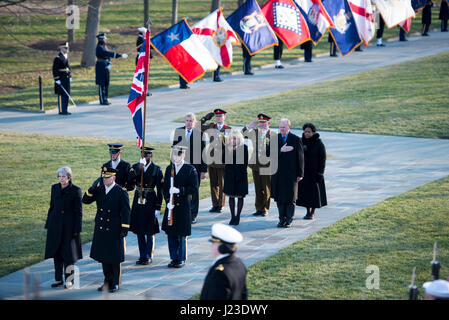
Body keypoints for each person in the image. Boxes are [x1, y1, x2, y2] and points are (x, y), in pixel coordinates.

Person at [82, 167, 130, 293]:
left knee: (114, 258)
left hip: (114, 228)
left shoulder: (120, 191)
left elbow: (125, 212)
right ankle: (107, 282)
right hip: (101, 228)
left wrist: (124, 228)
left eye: (107, 177)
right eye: (103, 177)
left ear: (113, 178)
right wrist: (91, 189)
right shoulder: (99, 189)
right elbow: (85, 201)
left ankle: (115, 283)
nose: (104, 179)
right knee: (104, 257)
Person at [44, 167, 82, 289]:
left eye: (63, 176)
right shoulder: (54, 188)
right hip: (55, 226)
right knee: (57, 254)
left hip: (69, 228)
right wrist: (49, 223)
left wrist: (77, 229)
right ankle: (58, 279)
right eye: (59, 176)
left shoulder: (76, 190)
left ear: (69, 177)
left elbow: (78, 212)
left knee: (69, 255)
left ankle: (69, 280)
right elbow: (52, 207)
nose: (61, 179)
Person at [162, 145, 198, 269]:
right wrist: (167, 200)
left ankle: (181, 258)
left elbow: (194, 188)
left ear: (183, 155)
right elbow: (165, 187)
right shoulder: (169, 169)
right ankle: (173, 257)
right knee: (171, 233)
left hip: (183, 206)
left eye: (178, 155)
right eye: (174, 155)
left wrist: (180, 190)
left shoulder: (190, 169)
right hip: (171, 206)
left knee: (181, 233)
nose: (176, 157)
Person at [128, 147, 163, 265]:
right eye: (143, 155)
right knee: (139, 229)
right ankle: (142, 254)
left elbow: (160, 190)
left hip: (150, 200)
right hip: (138, 199)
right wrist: (138, 169)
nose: (145, 158)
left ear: (151, 156)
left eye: (147, 156)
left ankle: (148, 255)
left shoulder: (156, 170)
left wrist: (158, 207)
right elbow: (130, 182)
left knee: (149, 230)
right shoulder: (136, 167)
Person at [172, 113, 207, 224]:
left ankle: (193, 214)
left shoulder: (200, 134)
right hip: (180, 167)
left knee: (194, 192)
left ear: (195, 122)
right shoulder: (178, 132)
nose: (189, 122)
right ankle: (182, 212)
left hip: (194, 168)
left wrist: (203, 170)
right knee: (181, 190)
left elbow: (204, 154)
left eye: (191, 120)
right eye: (187, 120)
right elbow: (174, 150)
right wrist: (172, 166)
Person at [200, 223, 247, 300]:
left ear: (221, 247)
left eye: (214, 243)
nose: (211, 246)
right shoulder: (239, 263)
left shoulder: (220, 273)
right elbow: (243, 294)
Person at [271, 118, 304, 228]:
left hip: (291, 174)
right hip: (278, 174)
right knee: (280, 198)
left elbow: (300, 158)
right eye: (280, 127)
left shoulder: (295, 139)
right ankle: (281, 219)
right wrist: (281, 150)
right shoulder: (275, 138)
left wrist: (300, 174)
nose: (282, 130)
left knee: (290, 197)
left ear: (289, 127)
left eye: (284, 128)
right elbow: (268, 153)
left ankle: (289, 219)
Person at [200, 108, 232, 213]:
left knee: (222, 183)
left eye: (220, 116)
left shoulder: (228, 129)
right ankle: (215, 204)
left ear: (224, 117)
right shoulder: (211, 126)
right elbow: (197, 126)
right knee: (213, 184)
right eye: (217, 116)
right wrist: (204, 118)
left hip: (222, 161)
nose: (218, 118)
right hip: (212, 160)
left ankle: (221, 204)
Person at [242, 113, 272, 217]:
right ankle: (258, 208)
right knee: (258, 188)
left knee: (266, 188)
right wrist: (249, 127)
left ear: (269, 123)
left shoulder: (272, 135)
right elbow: (242, 135)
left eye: (264, 123)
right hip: (255, 165)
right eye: (260, 123)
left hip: (266, 165)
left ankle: (265, 208)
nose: (262, 125)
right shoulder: (255, 132)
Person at [296, 123, 327, 220]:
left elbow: (323, 159)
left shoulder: (319, 143)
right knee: (305, 193)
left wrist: (320, 173)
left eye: (309, 132)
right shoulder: (301, 142)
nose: (306, 133)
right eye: (305, 131)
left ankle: (312, 212)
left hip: (315, 173)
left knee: (314, 194)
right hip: (304, 173)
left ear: (313, 132)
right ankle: (307, 211)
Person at [223, 129, 249, 225]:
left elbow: (245, 163)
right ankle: (232, 216)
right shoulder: (227, 148)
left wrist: (240, 175)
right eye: (231, 139)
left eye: (235, 139)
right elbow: (223, 160)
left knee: (240, 197)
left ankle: (238, 216)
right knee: (231, 197)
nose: (233, 141)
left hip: (240, 176)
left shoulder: (244, 148)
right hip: (229, 176)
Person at [95, 33, 128, 105]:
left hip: (105, 65)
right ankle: (102, 99)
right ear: (100, 39)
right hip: (100, 66)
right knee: (102, 83)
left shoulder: (104, 46)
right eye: (103, 39)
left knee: (106, 82)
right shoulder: (99, 47)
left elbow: (107, 56)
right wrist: (119, 55)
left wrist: (109, 63)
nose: (105, 40)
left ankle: (105, 98)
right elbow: (106, 53)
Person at [52, 42, 71, 115]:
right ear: (61, 48)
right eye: (65, 48)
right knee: (61, 94)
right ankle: (61, 110)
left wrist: (70, 76)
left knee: (66, 93)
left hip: (66, 78)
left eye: (67, 48)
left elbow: (68, 68)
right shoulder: (58, 58)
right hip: (61, 78)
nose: (67, 49)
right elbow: (55, 69)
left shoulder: (66, 56)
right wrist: (57, 79)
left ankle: (65, 109)